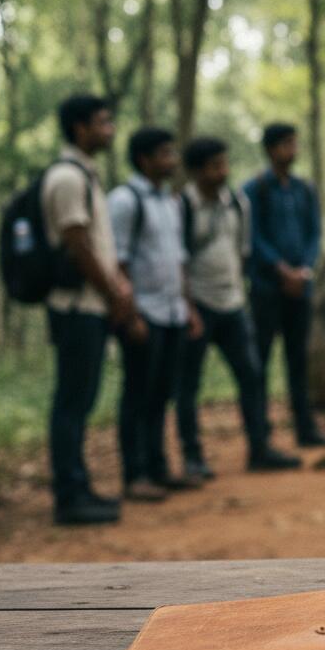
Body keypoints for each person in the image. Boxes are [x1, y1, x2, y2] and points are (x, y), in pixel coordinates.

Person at [176, 137, 302, 474]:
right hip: (197, 304)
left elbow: (242, 252)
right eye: (215, 165)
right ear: (197, 171)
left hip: (232, 304)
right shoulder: (182, 206)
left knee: (252, 374)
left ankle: (259, 447)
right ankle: (192, 456)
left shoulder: (237, 203)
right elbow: (178, 261)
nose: (223, 171)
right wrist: (187, 306)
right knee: (188, 383)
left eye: (225, 163)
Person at [42, 94, 132, 525]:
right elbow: (77, 245)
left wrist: (116, 290)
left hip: (91, 307)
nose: (109, 129)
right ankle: (69, 496)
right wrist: (113, 294)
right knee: (72, 402)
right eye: (102, 122)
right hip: (77, 308)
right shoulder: (66, 178)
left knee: (80, 400)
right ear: (80, 128)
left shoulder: (85, 176)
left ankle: (79, 489)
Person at [108, 127, 203, 501]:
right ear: (144, 159)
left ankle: (159, 467)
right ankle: (135, 474)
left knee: (162, 393)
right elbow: (118, 260)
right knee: (136, 393)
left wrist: (189, 307)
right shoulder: (124, 200)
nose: (173, 161)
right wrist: (130, 316)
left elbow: (179, 260)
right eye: (165, 154)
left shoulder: (171, 203)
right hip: (142, 314)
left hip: (172, 313)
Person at [242, 123, 325, 449]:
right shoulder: (254, 190)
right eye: (286, 144)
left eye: (295, 143)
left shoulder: (304, 189)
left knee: (298, 361)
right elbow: (252, 238)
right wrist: (282, 271)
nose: (293, 150)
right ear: (271, 149)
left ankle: (305, 429)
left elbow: (314, 234)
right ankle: (261, 436)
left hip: (301, 289)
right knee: (260, 363)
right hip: (267, 289)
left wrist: (304, 270)